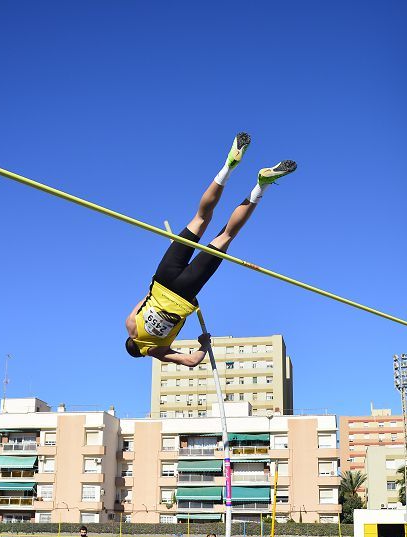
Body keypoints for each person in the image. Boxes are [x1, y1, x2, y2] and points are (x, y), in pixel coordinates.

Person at [124, 132, 296, 364]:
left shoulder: (155, 350)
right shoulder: (130, 324)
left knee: (225, 236)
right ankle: (227, 167)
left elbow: (192, 361)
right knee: (200, 218)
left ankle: (260, 187)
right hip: (163, 279)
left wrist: (204, 344)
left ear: (140, 352)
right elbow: (146, 295)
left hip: (185, 291)